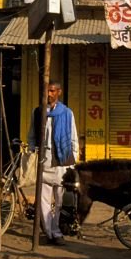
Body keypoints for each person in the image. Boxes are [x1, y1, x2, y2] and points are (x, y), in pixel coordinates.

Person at [28, 80, 79, 245]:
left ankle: (56, 231)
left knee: (59, 200)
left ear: (59, 92)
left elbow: (73, 138)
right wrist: (31, 151)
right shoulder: (37, 112)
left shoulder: (67, 113)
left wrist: (73, 162)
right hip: (44, 160)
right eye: (46, 91)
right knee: (43, 200)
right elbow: (32, 135)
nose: (48, 94)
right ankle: (50, 232)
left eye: (52, 91)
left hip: (62, 161)